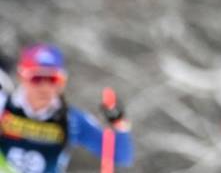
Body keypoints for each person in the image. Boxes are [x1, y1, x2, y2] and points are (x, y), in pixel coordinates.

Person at [0, 44, 133, 173]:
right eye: (37, 78)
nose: (45, 87)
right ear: (21, 77)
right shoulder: (3, 107)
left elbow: (120, 155)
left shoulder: (71, 119)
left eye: (52, 79)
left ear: (62, 82)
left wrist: (119, 123)